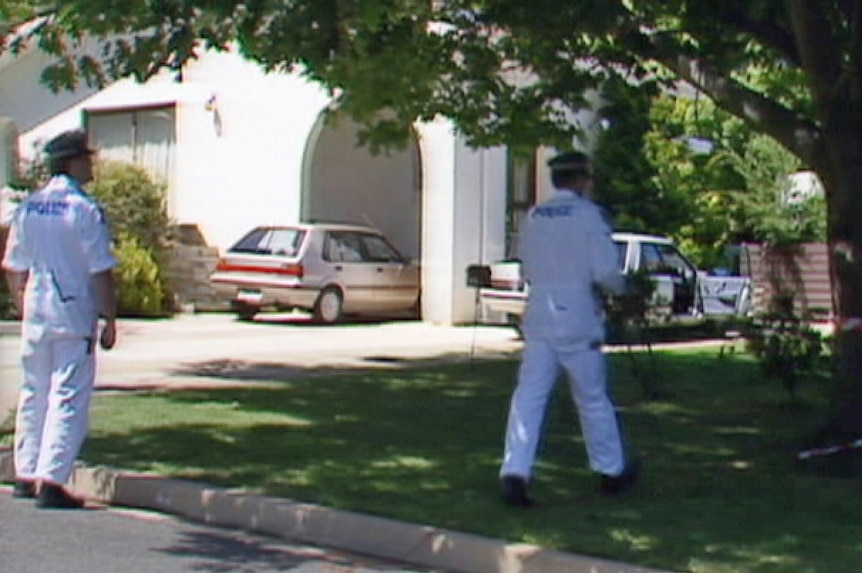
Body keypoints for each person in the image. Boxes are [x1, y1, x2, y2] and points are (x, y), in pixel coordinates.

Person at [499, 150, 639, 506]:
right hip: (578, 313)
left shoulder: (534, 216)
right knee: (592, 397)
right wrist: (623, 289)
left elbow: (526, 266)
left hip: (540, 313)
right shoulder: (590, 217)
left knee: (528, 396)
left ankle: (515, 471)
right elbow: (605, 272)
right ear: (581, 179)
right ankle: (610, 470)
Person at [2, 129, 117, 509]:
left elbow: (13, 266)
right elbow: (100, 270)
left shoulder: (30, 207)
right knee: (68, 393)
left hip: (37, 311)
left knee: (34, 391)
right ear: (72, 163)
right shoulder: (84, 210)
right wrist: (110, 318)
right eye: (86, 159)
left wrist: (23, 303)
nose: (91, 165)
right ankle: (52, 479)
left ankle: (26, 471)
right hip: (72, 313)